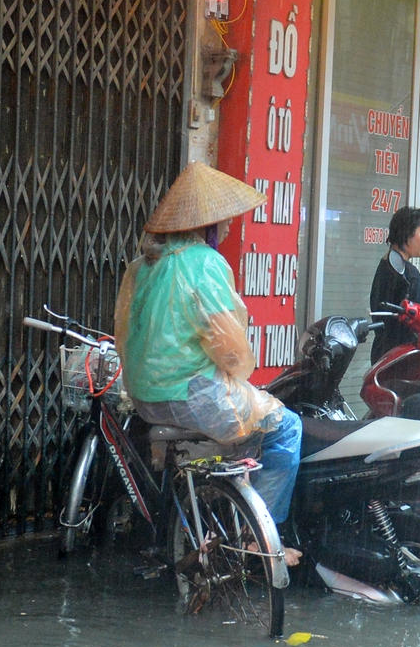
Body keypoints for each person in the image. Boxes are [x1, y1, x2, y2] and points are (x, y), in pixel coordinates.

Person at [115, 163, 303, 554]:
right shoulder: (204, 262)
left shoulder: (142, 266)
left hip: (146, 398)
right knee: (286, 429)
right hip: (192, 397)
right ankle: (260, 537)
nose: (231, 228)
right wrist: (240, 373)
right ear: (207, 225)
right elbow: (232, 352)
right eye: (227, 221)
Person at [369, 207, 420, 361]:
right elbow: (417, 322)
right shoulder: (407, 273)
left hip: (384, 354)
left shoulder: (387, 265)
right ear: (407, 232)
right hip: (403, 358)